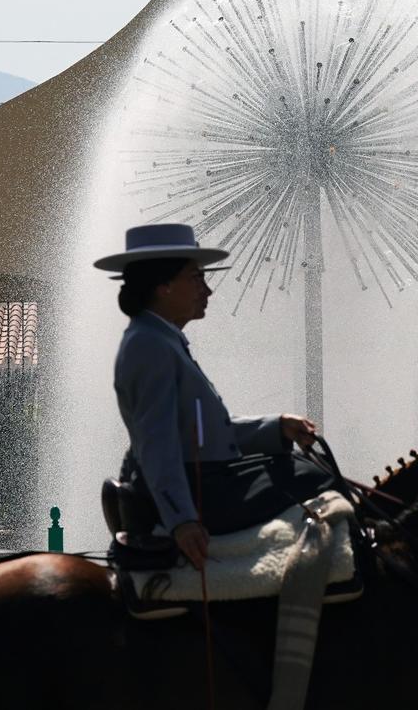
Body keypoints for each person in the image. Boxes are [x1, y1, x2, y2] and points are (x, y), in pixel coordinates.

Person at [95, 223, 334, 570]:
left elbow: (203, 433)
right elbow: (157, 443)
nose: (207, 290)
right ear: (163, 286)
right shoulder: (149, 345)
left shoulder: (161, 340)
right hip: (200, 491)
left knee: (310, 469)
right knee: (315, 479)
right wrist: (181, 519)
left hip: (207, 483)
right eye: (196, 278)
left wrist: (277, 427)